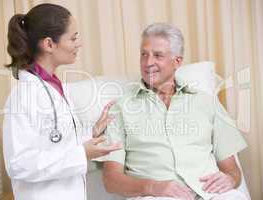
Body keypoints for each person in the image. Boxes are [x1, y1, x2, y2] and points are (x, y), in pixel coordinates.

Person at [96, 23, 248, 200]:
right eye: (144, 54)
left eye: (158, 55)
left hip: (208, 193)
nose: (148, 62)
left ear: (177, 61)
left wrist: (229, 180)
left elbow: (232, 171)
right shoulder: (121, 108)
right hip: (156, 195)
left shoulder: (206, 102)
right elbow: (111, 180)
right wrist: (153, 187)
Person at [2, 3, 121, 200]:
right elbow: (19, 164)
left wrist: (91, 132)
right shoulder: (23, 97)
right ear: (49, 44)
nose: (79, 43)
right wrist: (81, 154)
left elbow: (56, 143)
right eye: (73, 38)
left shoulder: (55, 86)